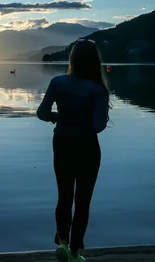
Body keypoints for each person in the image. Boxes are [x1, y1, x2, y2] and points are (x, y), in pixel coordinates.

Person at [36, 39, 110, 262]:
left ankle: (63, 243)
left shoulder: (57, 83)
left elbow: (42, 113)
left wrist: (59, 117)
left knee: (64, 195)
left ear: (72, 59)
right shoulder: (98, 90)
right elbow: (98, 126)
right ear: (95, 62)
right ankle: (77, 252)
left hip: (62, 143)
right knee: (83, 200)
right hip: (87, 145)